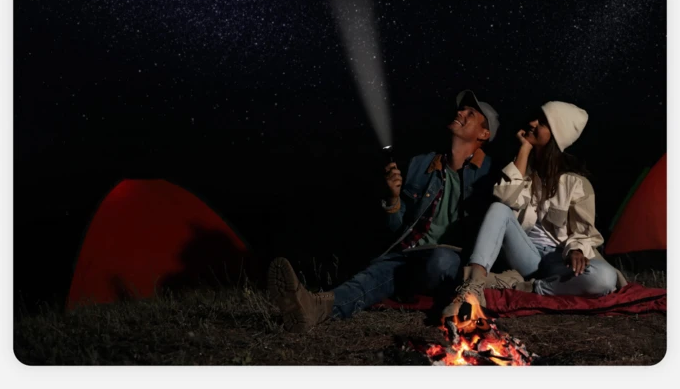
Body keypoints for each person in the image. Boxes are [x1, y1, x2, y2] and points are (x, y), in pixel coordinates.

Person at [268, 90, 522, 333]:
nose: (461, 112)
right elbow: (397, 230)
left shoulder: (492, 175)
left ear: (484, 133)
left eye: (471, 113)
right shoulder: (421, 165)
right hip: (411, 256)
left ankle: (411, 289)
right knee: (383, 267)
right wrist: (393, 199)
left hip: (454, 261)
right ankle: (316, 307)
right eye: (462, 108)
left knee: (438, 260)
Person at [442, 101, 627, 320]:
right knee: (499, 208)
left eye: (542, 122)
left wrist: (577, 249)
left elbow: (584, 231)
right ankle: (472, 288)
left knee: (603, 279)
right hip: (527, 258)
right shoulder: (522, 172)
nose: (531, 123)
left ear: (556, 133)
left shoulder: (577, 184)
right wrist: (524, 148)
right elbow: (505, 197)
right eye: (535, 117)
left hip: (561, 263)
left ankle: (528, 287)